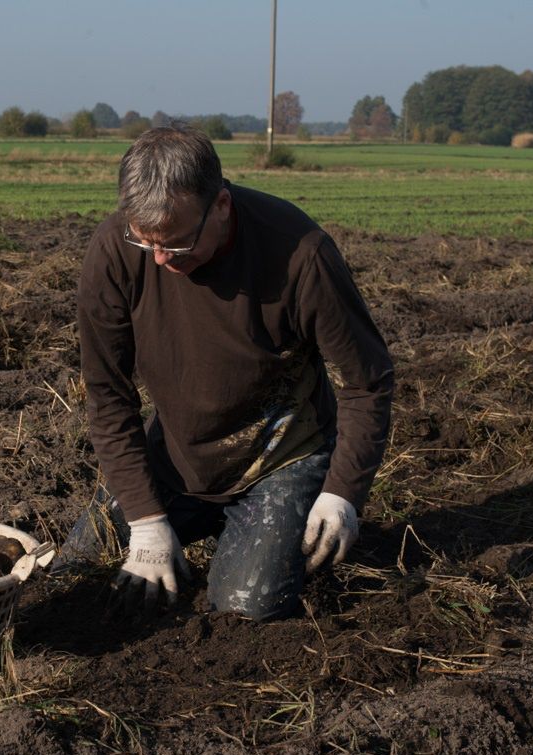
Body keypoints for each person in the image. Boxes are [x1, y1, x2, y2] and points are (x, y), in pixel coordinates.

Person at [57, 123, 394, 621]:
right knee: (74, 574)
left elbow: (368, 382)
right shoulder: (114, 252)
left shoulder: (300, 254)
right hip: (177, 458)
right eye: (146, 241)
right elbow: (108, 396)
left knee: (245, 609)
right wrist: (148, 520)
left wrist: (342, 492)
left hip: (280, 457)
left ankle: (270, 531)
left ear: (221, 205)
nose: (161, 259)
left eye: (177, 242)